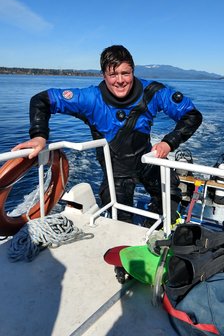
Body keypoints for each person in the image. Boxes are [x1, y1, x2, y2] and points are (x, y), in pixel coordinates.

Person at [13, 45, 202, 224]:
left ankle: (160, 229)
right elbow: (41, 100)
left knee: (172, 195)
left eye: (125, 73)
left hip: (147, 160)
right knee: (121, 223)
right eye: (113, 74)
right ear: (104, 75)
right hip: (116, 174)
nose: (120, 80)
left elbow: (191, 115)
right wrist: (39, 135)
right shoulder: (90, 99)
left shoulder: (152, 92)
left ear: (133, 72)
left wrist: (168, 143)